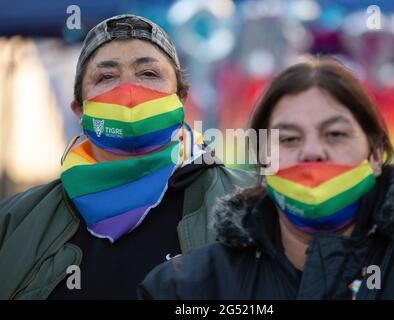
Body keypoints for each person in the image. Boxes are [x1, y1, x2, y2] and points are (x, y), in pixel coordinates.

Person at [140, 57, 394, 299]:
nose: (312, 151)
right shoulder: (187, 287)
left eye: (335, 134)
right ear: (262, 163)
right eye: (289, 139)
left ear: (375, 155)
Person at [0, 14, 257, 300]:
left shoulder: (250, 204)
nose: (129, 92)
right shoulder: (16, 222)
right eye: (106, 77)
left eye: (149, 74)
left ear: (181, 99)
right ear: (80, 109)